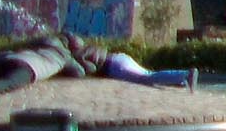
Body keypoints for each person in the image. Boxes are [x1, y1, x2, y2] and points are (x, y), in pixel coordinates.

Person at [66, 35, 197, 91]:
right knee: (148, 74)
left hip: (114, 66)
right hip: (120, 58)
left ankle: (186, 74)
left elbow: (88, 68)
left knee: (147, 77)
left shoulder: (78, 55)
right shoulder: (88, 47)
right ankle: (179, 81)